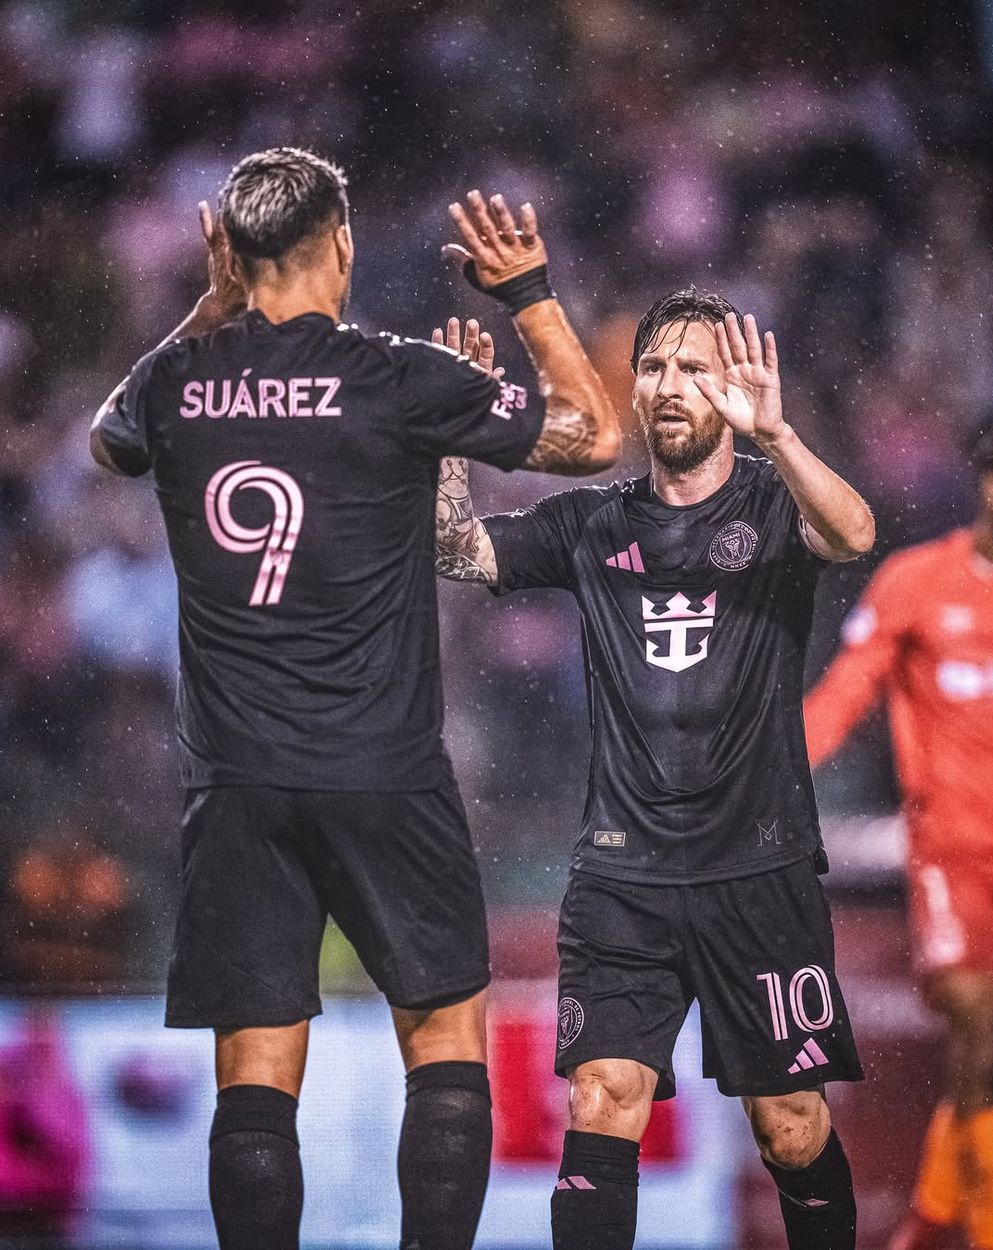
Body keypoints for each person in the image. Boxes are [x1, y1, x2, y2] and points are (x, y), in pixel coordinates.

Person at [88, 147, 621, 1250]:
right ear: (342, 242)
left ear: (231, 253)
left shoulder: (178, 381)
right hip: (385, 768)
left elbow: (108, 438)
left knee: (256, 1062)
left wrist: (208, 305)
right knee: (442, 1036)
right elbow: (592, 434)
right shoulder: (395, 374)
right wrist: (526, 294)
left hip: (235, 781)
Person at [434, 288, 875, 1250]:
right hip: (620, 877)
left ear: (732, 389)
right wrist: (450, 443)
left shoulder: (774, 504)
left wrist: (783, 438)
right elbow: (456, 552)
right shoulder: (592, 522)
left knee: (789, 1123)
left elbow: (853, 535)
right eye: (654, 367)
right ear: (632, 387)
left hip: (758, 872)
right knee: (602, 1097)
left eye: (694, 369)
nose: (669, 386)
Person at [805, 420, 993, 1250]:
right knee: (979, 1031)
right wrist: (766, 781)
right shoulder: (918, 582)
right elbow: (844, 694)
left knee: (982, 1064)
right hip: (952, 855)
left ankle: (928, 1220)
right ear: (988, 484)